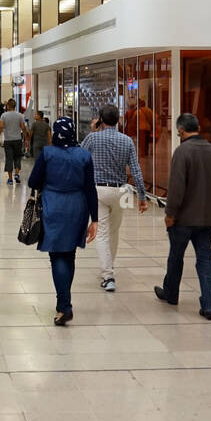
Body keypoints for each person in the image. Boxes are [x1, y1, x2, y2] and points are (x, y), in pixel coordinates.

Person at [28, 117, 98, 326]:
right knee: (69, 254)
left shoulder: (48, 153)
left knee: (56, 255)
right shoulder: (84, 155)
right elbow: (90, 189)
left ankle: (64, 306)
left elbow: (33, 181)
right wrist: (95, 219)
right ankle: (64, 302)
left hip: (53, 206)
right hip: (78, 207)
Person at [155, 113, 211, 319]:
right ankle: (209, 304)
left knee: (176, 256)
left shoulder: (182, 152)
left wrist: (170, 213)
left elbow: (176, 188)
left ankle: (171, 293)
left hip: (184, 218)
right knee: (205, 258)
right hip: (207, 217)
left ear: (181, 131)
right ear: (199, 127)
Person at [81, 103, 148, 293]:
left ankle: (108, 275)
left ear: (100, 120)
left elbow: (79, 157)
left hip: (98, 191)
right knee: (114, 231)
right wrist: (142, 195)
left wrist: (93, 130)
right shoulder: (127, 141)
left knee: (101, 232)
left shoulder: (92, 138)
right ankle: (109, 266)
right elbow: (135, 169)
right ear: (118, 120)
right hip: (120, 191)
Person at [0, 99, 28, 184]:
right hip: (18, 139)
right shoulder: (20, 116)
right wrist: (26, 139)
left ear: (8, 106)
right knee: (17, 157)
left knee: (9, 158)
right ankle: (17, 174)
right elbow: (23, 128)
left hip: (8, 140)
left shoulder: (4, 115)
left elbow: (1, 127)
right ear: (15, 106)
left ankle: (10, 179)